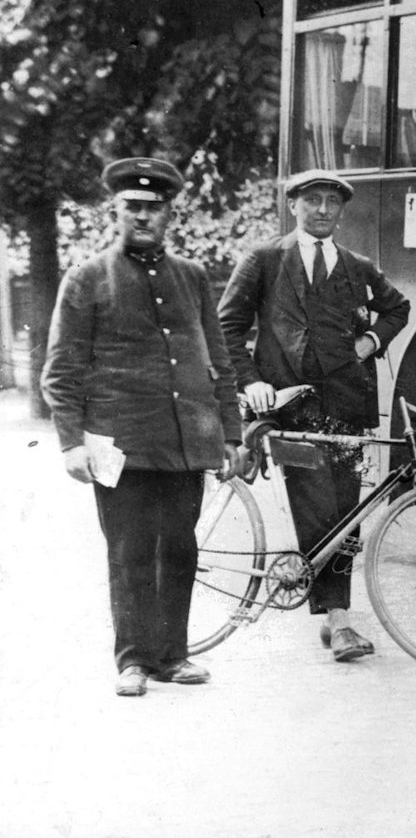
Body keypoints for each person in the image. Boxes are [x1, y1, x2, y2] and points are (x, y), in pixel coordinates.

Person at [44, 157, 245, 697]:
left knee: (179, 548)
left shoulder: (193, 278)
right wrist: (70, 444)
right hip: (120, 443)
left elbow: (220, 362)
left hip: (185, 441)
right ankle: (134, 661)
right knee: (129, 551)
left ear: (169, 215)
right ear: (116, 211)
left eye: (153, 208)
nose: (142, 216)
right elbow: (60, 372)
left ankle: (172, 656)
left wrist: (230, 433)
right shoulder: (87, 279)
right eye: (132, 206)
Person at [219, 168, 411, 663]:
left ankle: (334, 611)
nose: (323, 209)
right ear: (294, 206)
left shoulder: (357, 265)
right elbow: (227, 327)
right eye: (313, 201)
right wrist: (252, 382)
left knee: (347, 510)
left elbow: (398, 308)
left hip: (347, 406)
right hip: (291, 410)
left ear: (343, 212)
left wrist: (370, 341)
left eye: (332, 202)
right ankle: (339, 618)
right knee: (315, 504)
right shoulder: (264, 261)